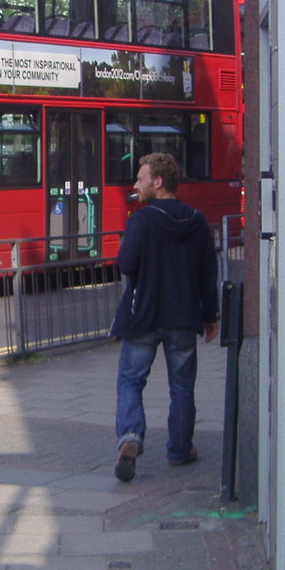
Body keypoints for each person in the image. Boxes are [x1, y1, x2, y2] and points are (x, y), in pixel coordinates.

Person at [110, 153, 220, 482]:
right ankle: (180, 449)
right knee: (182, 389)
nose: (135, 185)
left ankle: (130, 438)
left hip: (144, 316)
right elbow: (207, 273)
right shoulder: (197, 221)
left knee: (131, 381)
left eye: (140, 179)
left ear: (158, 183)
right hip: (184, 318)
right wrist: (210, 316)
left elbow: (127, 264)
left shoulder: (142, 220)